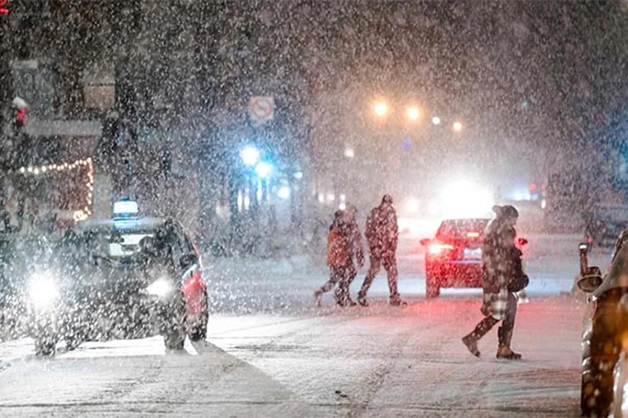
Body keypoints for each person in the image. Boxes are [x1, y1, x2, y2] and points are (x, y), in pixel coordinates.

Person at [462, 204, 528, 360]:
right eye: (513, 219)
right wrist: (514, 257)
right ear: (507, 217)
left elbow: (503, 252)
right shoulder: (501, 230)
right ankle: (481, 340)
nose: (514, 223)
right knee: (503, 311)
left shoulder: (496, 229)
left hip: (499, 277)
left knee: (506, 310)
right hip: (499, 278)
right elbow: (502, 253)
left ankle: (501, 346)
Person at [357, 195, 404, 306]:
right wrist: (377, 246)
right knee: (383, 271)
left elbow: (392, 233)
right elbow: (371, 232)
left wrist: (385, 247)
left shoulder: (380, 214)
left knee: (381, 271)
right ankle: (392, 296)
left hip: (383, 249)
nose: (387, 206)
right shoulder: (384, 214)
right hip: (381, 248)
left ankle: (364, 293)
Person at [314, 210, 355, 307]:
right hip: (339, 259)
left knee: (336, 279)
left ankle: (324, 292)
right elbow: (340, 244)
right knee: (342, 279)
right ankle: (341, 297)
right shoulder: (337, 230)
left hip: (337, 259)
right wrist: (346, 242)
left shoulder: (336, 228)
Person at [335, 204, 365, 305]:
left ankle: (342, 294)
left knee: (349, 273)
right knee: (346, 274)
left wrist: (359, 254)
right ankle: (343, 295)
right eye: (353, 212)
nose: (353, 214)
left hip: (347, 253)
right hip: (342, 253)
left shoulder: (351, 224)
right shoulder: (343, 223)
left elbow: (357, 240)